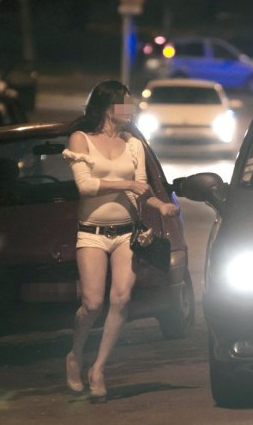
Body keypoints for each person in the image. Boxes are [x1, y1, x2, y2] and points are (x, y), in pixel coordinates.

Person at [62, 80, 179, 402]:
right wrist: (125, 181)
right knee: (92, 303)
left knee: (122, 299)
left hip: (126, 233)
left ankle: (98, 369)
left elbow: (139, 189)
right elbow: (85, 186)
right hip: (92, 234)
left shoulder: (133, 144)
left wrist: (162, 206)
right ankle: (75, 354)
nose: (131, 110)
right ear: (107, 106)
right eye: (125, 104)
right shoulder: (81, 139)